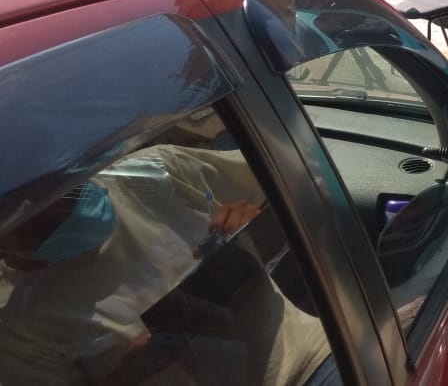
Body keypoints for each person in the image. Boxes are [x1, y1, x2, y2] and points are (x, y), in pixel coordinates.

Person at [0, 144, 333, 386]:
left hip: (318, 356)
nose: (65, 199)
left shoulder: (149, 176)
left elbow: (303, 173)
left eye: (71, 185)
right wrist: (125, 374)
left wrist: (254, 223)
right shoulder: (18, 329)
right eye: (42, 209)